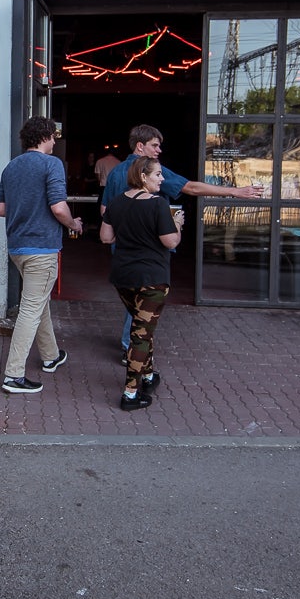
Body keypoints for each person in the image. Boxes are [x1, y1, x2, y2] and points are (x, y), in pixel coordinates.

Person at [101, 123, 265, 359]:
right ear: (140, 146)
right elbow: (190, 187)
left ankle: (132, 343)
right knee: (144, 301)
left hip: (123, 250)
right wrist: (234, 192)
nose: (159, 151)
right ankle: (134, 349)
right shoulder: (152, 173)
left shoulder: (117, 172)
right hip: (151, 253)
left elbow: (106, 210)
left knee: (134, 298)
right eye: (155, 146)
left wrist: (119, 234)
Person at [0, 115, 83, 394]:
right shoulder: (51, 164)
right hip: (42, 249)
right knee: (31, 309)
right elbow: (58, 207)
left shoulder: (11, 167)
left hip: (18, 248)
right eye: (53, 135)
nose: (56, 140)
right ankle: (13, 375)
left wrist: (27, 205)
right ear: (44, 136)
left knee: (37, 301)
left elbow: (1, 209)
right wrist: (73, 224)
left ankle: (51, 356)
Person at [100, 158, 183, 412]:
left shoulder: (117, 202)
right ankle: (131, 393)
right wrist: (178, 224)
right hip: (152, 279)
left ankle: (148, 376)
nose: (162, 179)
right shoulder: (158, 205)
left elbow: (106, 237)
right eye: (158, 174)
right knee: (141, 334)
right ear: (143, 176)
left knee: (141, 326)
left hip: (123, 276)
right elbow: (170, 242)